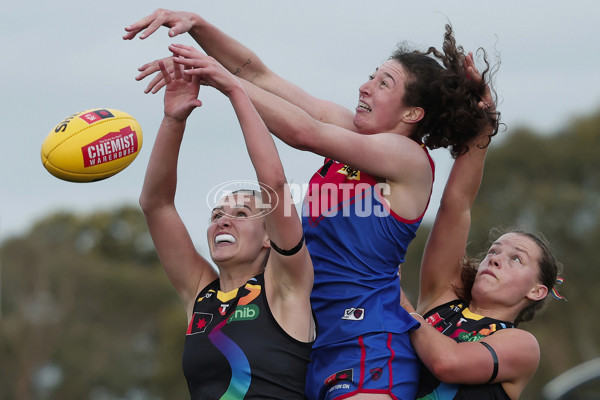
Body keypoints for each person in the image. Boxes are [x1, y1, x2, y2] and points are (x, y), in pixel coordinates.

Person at [126, 10, 500, 399]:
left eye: (383, 82)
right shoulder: (349, 133)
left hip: (368, 345)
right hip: (312, 348)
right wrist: (199, 27)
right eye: (371, 74)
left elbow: (303, 132)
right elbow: (259, 76)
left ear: (412, 114)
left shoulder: (407, 159)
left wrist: (220, 80)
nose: (364, 87)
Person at [138, 49, 315, 399]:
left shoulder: (286, 286)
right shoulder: (201, 293)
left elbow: (274, 183)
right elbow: (156, 205)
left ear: (269, 239)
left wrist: (235, 90)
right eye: (217, 214)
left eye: (241, 214)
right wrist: (174, 120)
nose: (223, 221)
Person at [399, 88, 565, 399]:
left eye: (517, 258)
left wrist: (398, 299)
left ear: (536, 290)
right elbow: (456, 205)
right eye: (494, 251)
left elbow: (446, 363)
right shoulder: (442, 299)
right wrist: (483, 124)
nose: (496, 258)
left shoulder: (520, 345)